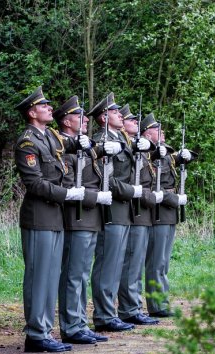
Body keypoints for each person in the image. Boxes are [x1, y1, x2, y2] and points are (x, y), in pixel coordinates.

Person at [13, 86, 86, 353]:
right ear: (32, 113)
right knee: (38, 276)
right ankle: (35, 333)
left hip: (54, 215)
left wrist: (87, 144)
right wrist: (68, 193)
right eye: (44, 106)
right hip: (39, 215)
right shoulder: (28, 141)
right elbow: (35, 184)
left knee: (51, 276)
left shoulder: (50, 138)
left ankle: (43, 330)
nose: (49, 109)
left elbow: (70, 143)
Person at [54, 95, 111, 344]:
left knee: (82, 274)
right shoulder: (64, 147)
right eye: (79, 116)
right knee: (73, 274)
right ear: (67, 121)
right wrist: (95, 197)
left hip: (89, 215)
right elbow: (67, 182)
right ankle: (71, 325)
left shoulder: (82, 144)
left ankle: (79, 322)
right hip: (76, 216)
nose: (85, 120)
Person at [89, 93, 141, 332]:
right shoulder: (101, 141)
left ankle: (110, 312)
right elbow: (105, 178)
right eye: (114, 111)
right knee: (107, 264)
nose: (120, 114)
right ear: (103, 117)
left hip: (124, 209)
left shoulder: (121, 139)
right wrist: (132, 191)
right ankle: (103, 315)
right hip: (112, 207)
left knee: (117, 263)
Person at [140, 113, 193, 317]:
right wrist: (174, 199)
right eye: (156, 129)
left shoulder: (164, 154)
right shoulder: (149, 156)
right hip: (159, 211)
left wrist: (187, 156)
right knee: (156, 261)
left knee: (163, 261)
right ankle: (157, 304)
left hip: (169, 213)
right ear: (147, 133)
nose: (161, 132)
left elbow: (179, 159)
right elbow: (154, 186)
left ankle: (161, 300)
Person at [117, 104, 161, 326]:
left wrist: (152, 149)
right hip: (131, 208)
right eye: (130, 119)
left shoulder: (138, 147)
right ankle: (129, 307)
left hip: (139, 209)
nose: (135, 122)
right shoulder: (123, 146)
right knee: (130, 263)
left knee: (135, 263)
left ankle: (133, 306)